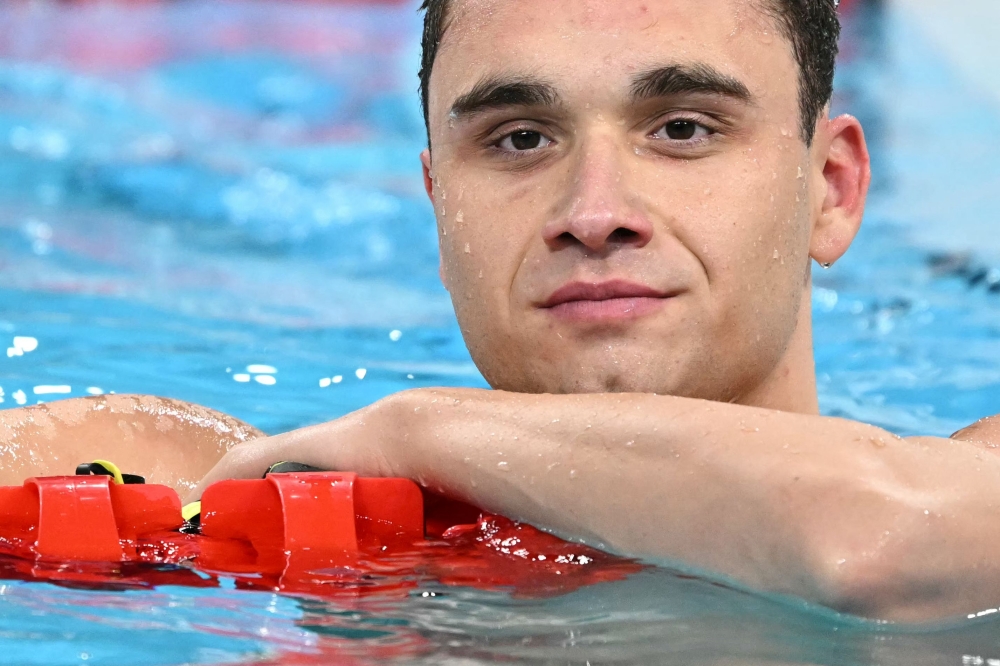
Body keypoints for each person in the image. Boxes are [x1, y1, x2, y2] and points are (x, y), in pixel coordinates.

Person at [2, 0, 998, 622]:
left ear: (832, 189)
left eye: (683, 128)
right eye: (520, 139)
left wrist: (421, 429)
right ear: (439, 208)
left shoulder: (973, 479)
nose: (594, 213)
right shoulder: (234, 481)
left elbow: (878, 547)